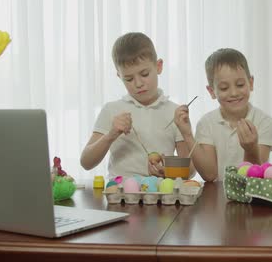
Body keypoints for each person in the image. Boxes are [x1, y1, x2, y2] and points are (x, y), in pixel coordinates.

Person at [80, 32, 190, 179]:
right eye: (129, 79)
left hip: (162, 194)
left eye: (144, 74)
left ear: (158, 66)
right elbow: (86, 162)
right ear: (119, 76)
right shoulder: (111, 110)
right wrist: (111, 135)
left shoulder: (174, 112)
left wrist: (169, 170)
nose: (138, 83)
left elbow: (190, 172)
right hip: (121, 195)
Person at [174, 48, 272, 181]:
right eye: (224, 88)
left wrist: (251, 149)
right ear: (212, 91)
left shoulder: (264, 122)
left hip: (253, 198)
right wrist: (187, 135)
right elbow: (209, 175)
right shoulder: (206, 123)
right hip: (217, 199)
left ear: (250, 83)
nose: (234, 93)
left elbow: (256, 177)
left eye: (240, 85)